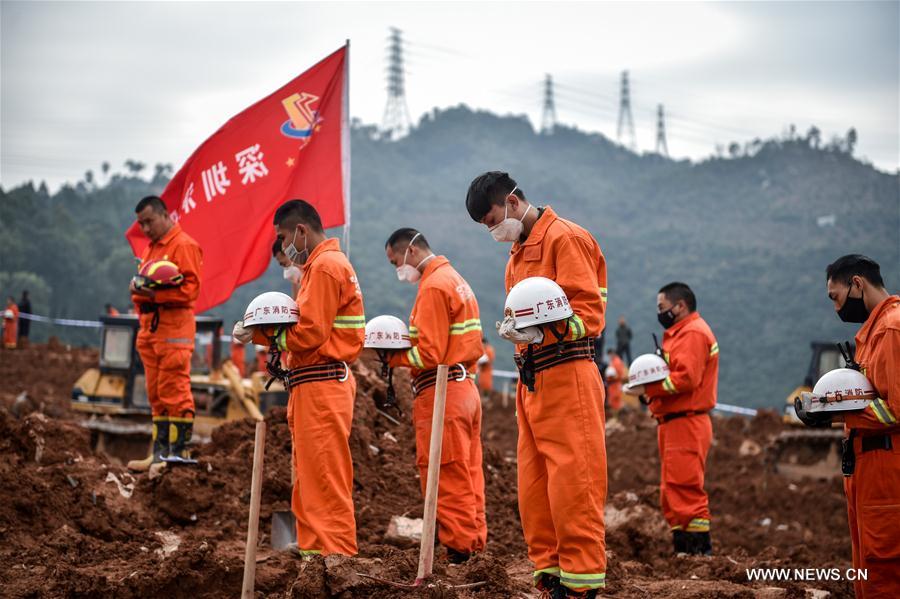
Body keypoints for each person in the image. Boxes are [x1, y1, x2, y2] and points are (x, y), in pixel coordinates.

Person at [466, 171, 608, 597]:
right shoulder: (517, 252)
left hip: (567, 372)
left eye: (493, 219)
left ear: (512, 202)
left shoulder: (565, 239)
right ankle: (549, 572)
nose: (493, 230)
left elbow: (590, 315)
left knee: (573, 481)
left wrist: (551, 331)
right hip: (534, 379)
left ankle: (581, 581)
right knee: (535, 485)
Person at [234, 199, 365, 557]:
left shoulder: (323, 267)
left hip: (321, 384)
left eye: (283, 237)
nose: (284, 246)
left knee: (323, 478)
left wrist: (261, 335)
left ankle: (335, 560)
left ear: (301, 231)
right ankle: (313, 555)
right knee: (310, 477)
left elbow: (309, 334)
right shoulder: (321, 266)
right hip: (314, 384)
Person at [381, 228, 487, 563]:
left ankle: (460, 554)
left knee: (444, 472)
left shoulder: (433, 286)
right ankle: (474, 547)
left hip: (441, 393)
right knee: (468, 473)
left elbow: (427, 354)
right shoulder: (454, 279)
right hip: (464, 387)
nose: (397, 269)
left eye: (395, 261)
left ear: (410, 251)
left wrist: (392, 357)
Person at [814, 255, 898, 597]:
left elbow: (895, 410)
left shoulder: (891, 329)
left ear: (857, 284)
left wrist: (836, 414)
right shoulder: (877, 330)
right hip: (868, 466)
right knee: (868, 564)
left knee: (884, 567)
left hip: (886, 469)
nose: (836, 308)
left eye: (836, 297)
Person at [626, 282, 717, 556]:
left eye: (662, 307)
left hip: (686, 422)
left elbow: (687, 379)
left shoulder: (692, 333)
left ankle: (698, 554)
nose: (660, 312)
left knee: (685, 488)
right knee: (672, 489)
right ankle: (684, 552)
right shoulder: (680, 333)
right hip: (674, 421)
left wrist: (649, 389)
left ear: (680, 306)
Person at [127, 195, 202, 471]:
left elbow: (191, 290)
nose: (145, 229)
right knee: (156, 393)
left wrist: (154, 295)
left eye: (149, 221)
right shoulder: (150, 249)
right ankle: (159, 454)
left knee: (174, 390)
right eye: (140, 224)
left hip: (174, 330)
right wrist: (139, 292)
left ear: (165, 215)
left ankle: (178, 454)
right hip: (150, 329)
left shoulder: (184, 246)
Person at [604, 348, 627, 415]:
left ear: (613, 353)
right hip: (612, 385)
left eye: (610, 355)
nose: (609, 356)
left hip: (615, 385)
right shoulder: (613, 361)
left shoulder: (617, 362)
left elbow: (620, 375)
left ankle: (618, 416)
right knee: (613, 401)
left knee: (615, 401)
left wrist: (612, 377)